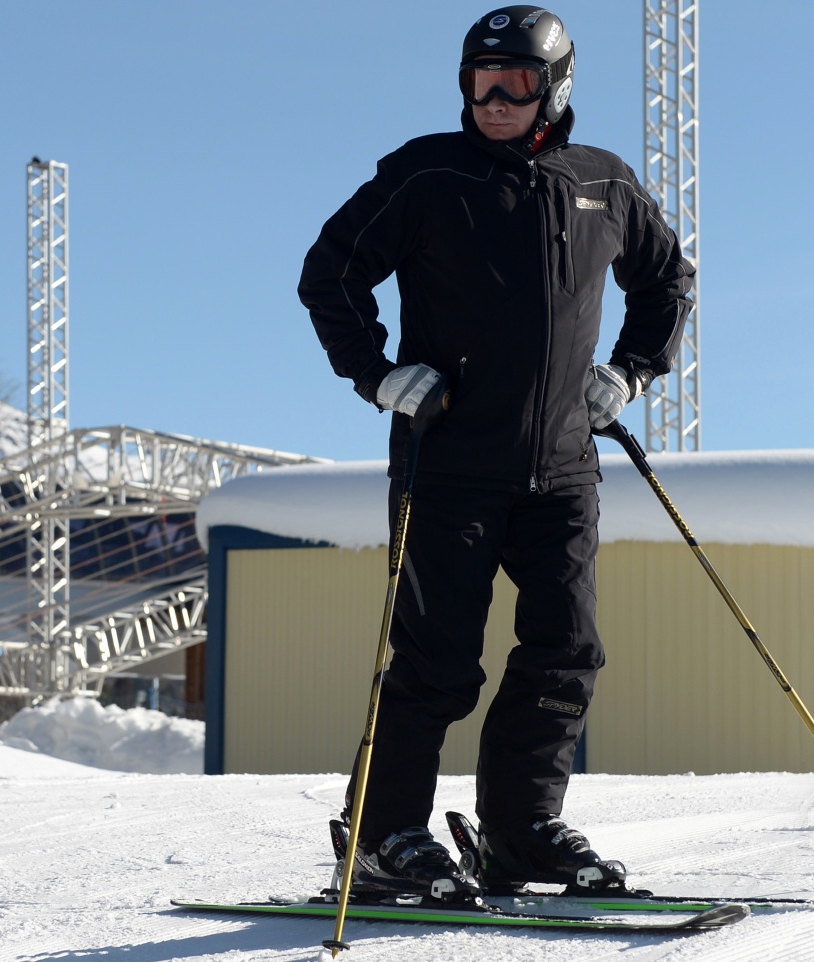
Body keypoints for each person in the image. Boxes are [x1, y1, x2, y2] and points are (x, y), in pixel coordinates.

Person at [298, 6, 693, 898]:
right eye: (477, 82)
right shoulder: (428, 173)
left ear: (554, 88)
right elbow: (330, 272)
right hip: (448, 464)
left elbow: (669, 280)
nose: (491, 100)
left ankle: (521, 831)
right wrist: (378, 375)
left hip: (561, 470)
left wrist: (630, 373)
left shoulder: (601, 183)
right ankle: (385, 834)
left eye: (513, 82)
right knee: (437, 661)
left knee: (566, 650)